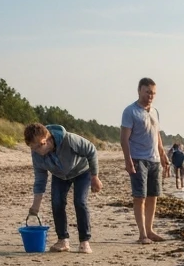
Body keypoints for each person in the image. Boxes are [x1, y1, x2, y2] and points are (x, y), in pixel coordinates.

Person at [24, 122, 103, 254]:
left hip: (82, 171)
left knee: (80, 202)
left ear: (44, 142)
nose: (34, 152)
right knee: (57, 202)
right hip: (59, 175)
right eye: (32, 149)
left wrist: (94, 177)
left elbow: (91, 150)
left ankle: (84, 241)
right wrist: (35, 206)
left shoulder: (69, 140)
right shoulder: (36, 153)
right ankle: (63, 240)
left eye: (36, 148)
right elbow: (40, 178)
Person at [120, 78, 170, 244]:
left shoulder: (155, 111)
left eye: (153, 93)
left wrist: (163, 155)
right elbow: (124, 139)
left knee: (153, 196)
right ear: (139, 90)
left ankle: (150, 230)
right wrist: (128, 160)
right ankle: (142, 234)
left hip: (154, 159)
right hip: (138, 158)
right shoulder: (130, 111)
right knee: (139, 197)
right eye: (147, 91)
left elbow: (157, 135)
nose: (150, 95)